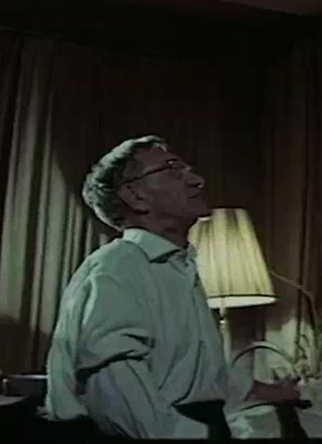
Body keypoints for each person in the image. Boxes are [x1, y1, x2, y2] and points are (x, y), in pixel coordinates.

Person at [44, 135, 300, 439]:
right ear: (135, 195)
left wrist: (269, 391)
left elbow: (200, 377)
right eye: (173, 169)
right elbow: (118, 401)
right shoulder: (117, 269)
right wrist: (206, 436)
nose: (197, 181)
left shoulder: (178, 267)